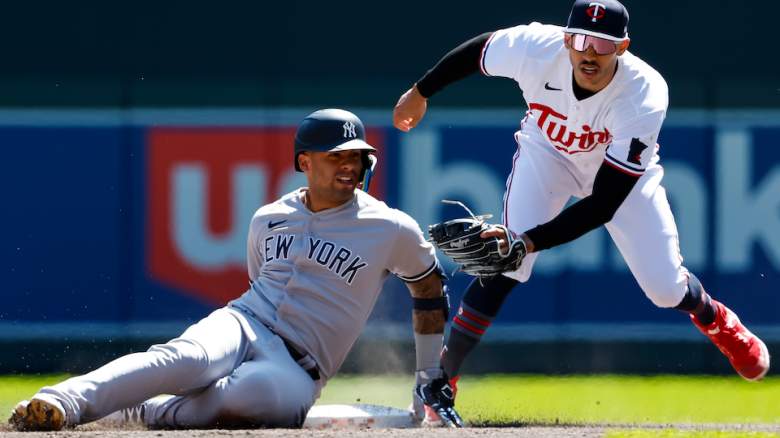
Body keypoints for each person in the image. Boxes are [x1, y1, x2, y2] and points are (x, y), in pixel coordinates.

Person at [394, 0, 770, 426]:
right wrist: (420, 92)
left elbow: (604, 201)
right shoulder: (537, 47)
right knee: (504, 264)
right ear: (565, 38)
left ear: (623, 46)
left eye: (603, 45)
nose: (588, 53)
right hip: (547, 155)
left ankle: (714, 317)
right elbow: (478, 52)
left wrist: (528, 240)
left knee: (664, 289)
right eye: (579, 40)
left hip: (620, 180)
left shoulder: (644, 92)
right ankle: (443, 379)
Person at [9, 108, 449, 431]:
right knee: (183, 358)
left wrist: (429, 374)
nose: (350, 164)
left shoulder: (389, 226)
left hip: (302, 366)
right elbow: (258, 282)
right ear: (305, 162)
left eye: (357, 155)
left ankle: (142, 412)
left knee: (249, 399)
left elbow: (429, 287)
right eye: (336, 156)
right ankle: (62, 401)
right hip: (245, 321)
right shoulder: (268, 216)